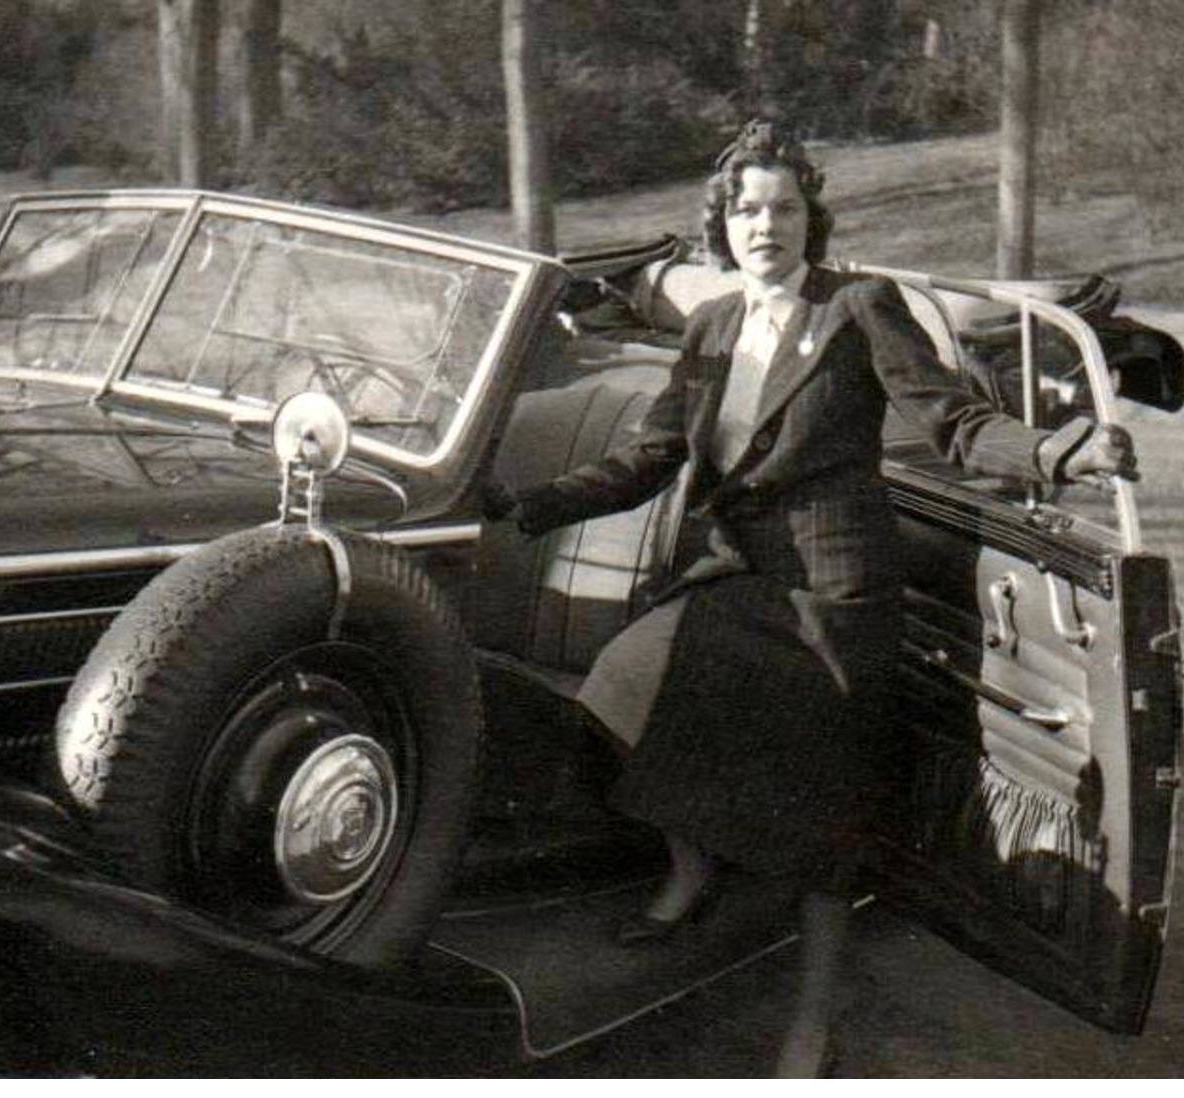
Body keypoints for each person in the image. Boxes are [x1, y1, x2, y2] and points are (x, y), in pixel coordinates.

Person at [487, 119, 1137, 1076]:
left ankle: (812, 1017)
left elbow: (953, 424)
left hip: (837, 589)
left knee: (824, 809)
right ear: (723, 225)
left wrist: (1056, 450)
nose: (765, 224)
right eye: (746, 208)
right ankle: (691, 869)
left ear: (810, 220)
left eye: (784, 207)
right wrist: (528, 506)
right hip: (734, 573)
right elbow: (649, 456)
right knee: (620, 687)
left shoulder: (861, 306)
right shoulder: (710, 327)